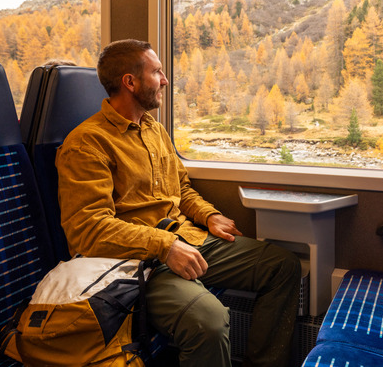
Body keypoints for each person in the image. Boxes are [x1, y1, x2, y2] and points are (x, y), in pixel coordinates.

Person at [55, 39, 301, 367]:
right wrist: (165, 246)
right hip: (139, 262)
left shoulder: (154, 129)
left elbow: (180, 188)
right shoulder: (87, 144)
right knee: (209, 323)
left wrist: (208, 215)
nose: (165, 80)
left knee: (282, 267)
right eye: (157, 72)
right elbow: (86, 232)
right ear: (130, 82)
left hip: (186, 237)